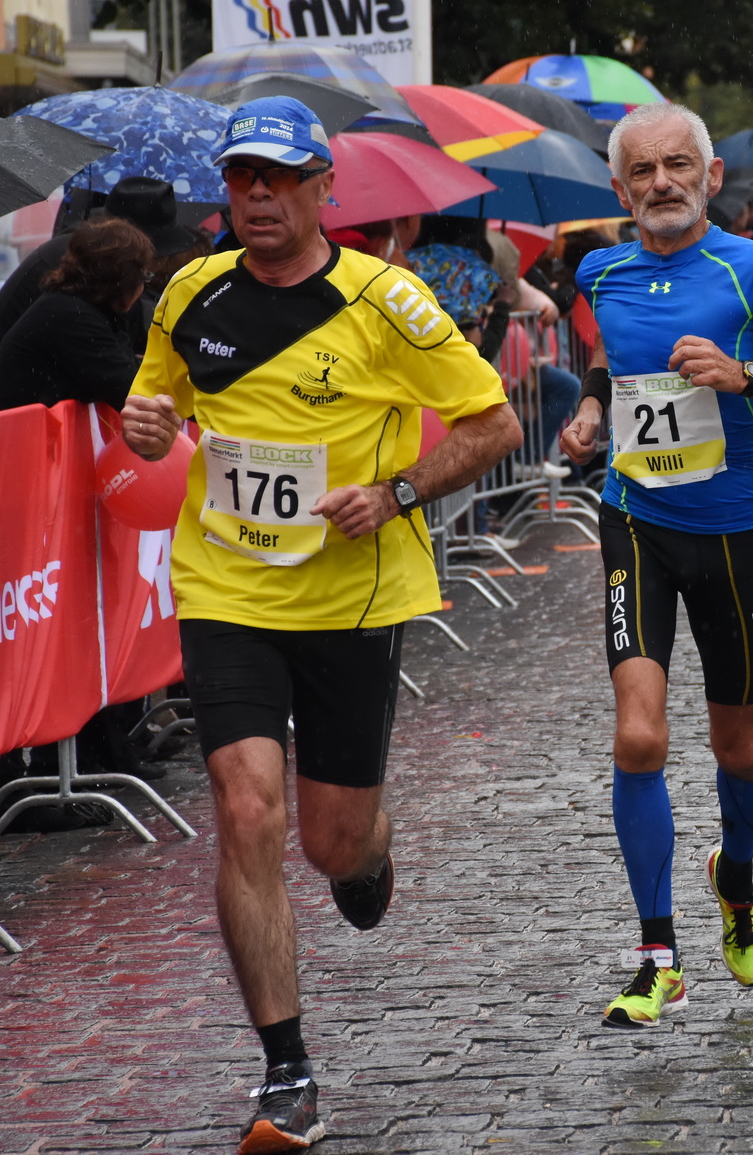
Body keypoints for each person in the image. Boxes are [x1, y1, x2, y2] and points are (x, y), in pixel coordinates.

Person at [119, 96, 521, 1154]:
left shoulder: (388, 301)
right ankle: (287, 1074)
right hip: (227, 588)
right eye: (242, 176)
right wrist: (146, 420)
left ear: (319, 190)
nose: (256, 195)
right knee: (245, 807)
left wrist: (394, 492)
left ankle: (367, 854)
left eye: (278, 177)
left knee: (331, 840)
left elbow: (494, 423)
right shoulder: (190, 292)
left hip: (351, 594)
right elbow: (157, 408)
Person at [557, 102, 753, 1030]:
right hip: (634, 521)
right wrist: (593, 411)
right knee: (639, 738)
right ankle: (658, 954)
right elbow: (612, 363)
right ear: (619, 189)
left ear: (711, 176)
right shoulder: (600, 269)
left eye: (678, 165)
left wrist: (746, 377)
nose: (662, 184)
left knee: (738, 745)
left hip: (731, 533)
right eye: (642, 172)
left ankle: (737, 875)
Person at [0, 176, 196, 357]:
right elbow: (113, 372)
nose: (162, 262)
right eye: (156, 256)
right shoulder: (81, 265)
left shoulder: (88, 256)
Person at [0, 218, 152, 412]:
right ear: (124, 282)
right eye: (144, 277)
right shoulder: (73, 315)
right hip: (19, 435)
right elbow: (130, 391)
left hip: (29, 431)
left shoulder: (76, 306)